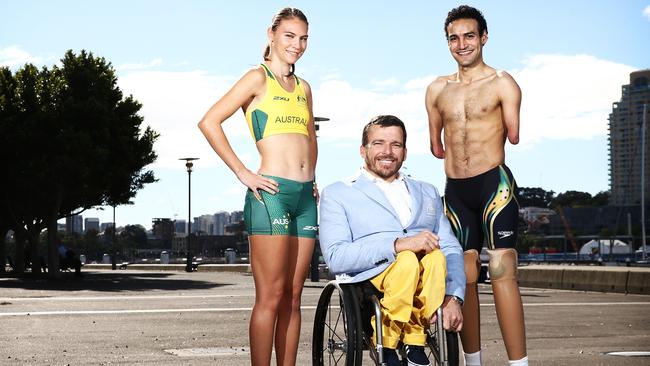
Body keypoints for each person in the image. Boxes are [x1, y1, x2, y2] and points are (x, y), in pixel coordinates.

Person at [197, 7, 317, 366]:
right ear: (272, 34)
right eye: (290, 36)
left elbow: (310, 137)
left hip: (305, 198)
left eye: (303, 38)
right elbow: (209, 122)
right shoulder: (257, 78)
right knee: (271, 295)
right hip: (271, 196)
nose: (297, 45)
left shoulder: (305, 88)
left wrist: (313, 176)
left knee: (294, 297)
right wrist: (243, 172)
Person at [425, 5, 527, 366]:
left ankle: (519, 364)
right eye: (454, 38)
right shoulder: (436, 89)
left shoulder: (503, 82)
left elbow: (513, 136)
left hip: (493, 187)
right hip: (455, 192)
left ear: (484, 37)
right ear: (447, 42)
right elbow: (436, 148)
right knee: (462, 277)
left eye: (470, 36)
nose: (462, 43)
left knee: (502, 271)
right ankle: (474, 363)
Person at [319, 115, 465, 366]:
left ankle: (415, 340)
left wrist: (454, 297)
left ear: (405, 152)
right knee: (407, 259)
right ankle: (386, 342)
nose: (387, 151)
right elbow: (336, 257)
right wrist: (397, 245)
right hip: (374, 275)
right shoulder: (338, 193)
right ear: (363, 150)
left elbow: (451, 247)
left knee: (437, 256)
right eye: (378, 143)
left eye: (395, 145)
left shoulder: (427, 191)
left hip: (425, 274)